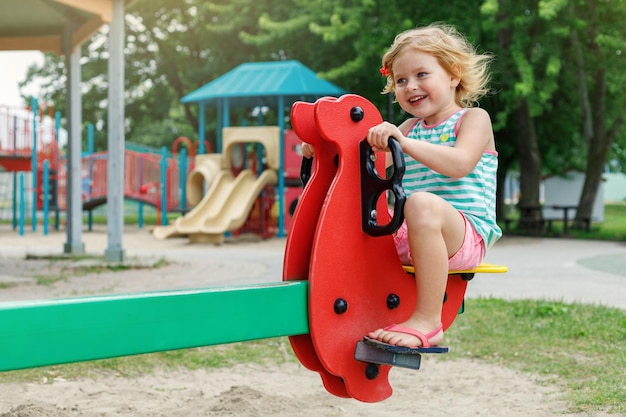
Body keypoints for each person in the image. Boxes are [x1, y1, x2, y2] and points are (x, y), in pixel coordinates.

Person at [363, 23, 502, 351]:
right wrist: (327, 147)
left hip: (464, 234)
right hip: (413, 232)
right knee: (362, 220)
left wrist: (402, 143)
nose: (410, 86)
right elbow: (370, 168)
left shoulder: (473, 119)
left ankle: (428, 320)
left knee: (420, 203)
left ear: (453, 75)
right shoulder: (408, 127)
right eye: (401, 80)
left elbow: (459, 164)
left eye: (422, 74)